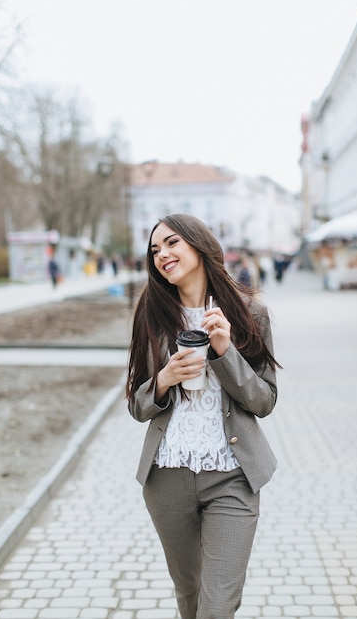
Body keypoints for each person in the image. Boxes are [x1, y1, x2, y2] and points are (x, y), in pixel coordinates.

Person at [126, 214, 279, 619]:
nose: (163, 255)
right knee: (190, 596)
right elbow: (136, 406)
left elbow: (264, 401)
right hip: (167, 476)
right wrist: (163, 380)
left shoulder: (249, 312)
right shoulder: (152, 312)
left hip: (233, 474)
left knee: (218, 604)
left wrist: (225, 351)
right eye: (155, 250)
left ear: (198, 245)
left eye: (172, 243)